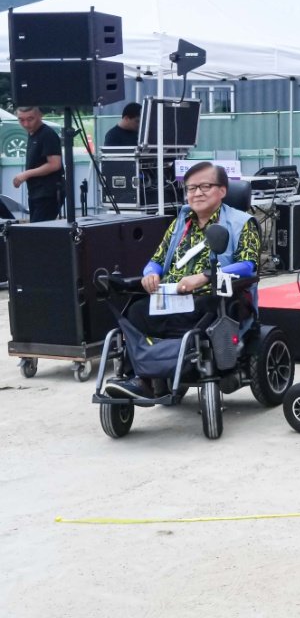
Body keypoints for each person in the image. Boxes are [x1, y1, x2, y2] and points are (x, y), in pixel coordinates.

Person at [103, 161, 263, 398]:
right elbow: (156, 259)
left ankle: (182, 364)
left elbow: (248, 266)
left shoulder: (242, 223)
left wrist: (205, 277)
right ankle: (141, 379)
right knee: (135, 312)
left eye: (205, 186)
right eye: (191, 188)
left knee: (206, 308)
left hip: (216, 297)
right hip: (173, 299)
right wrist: (150, 274)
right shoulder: (181, 222)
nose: (197, 193)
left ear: (222, 191)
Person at [13, 105, 64, 221]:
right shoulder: (33, 133)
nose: (26, 124)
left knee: (38, 229)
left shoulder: (47, 134)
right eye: (21, 120)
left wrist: (26, 174)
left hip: (48, 193)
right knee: (36, 228)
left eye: (30, 119)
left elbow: (55, 164)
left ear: (40, 116)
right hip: (36, 192)